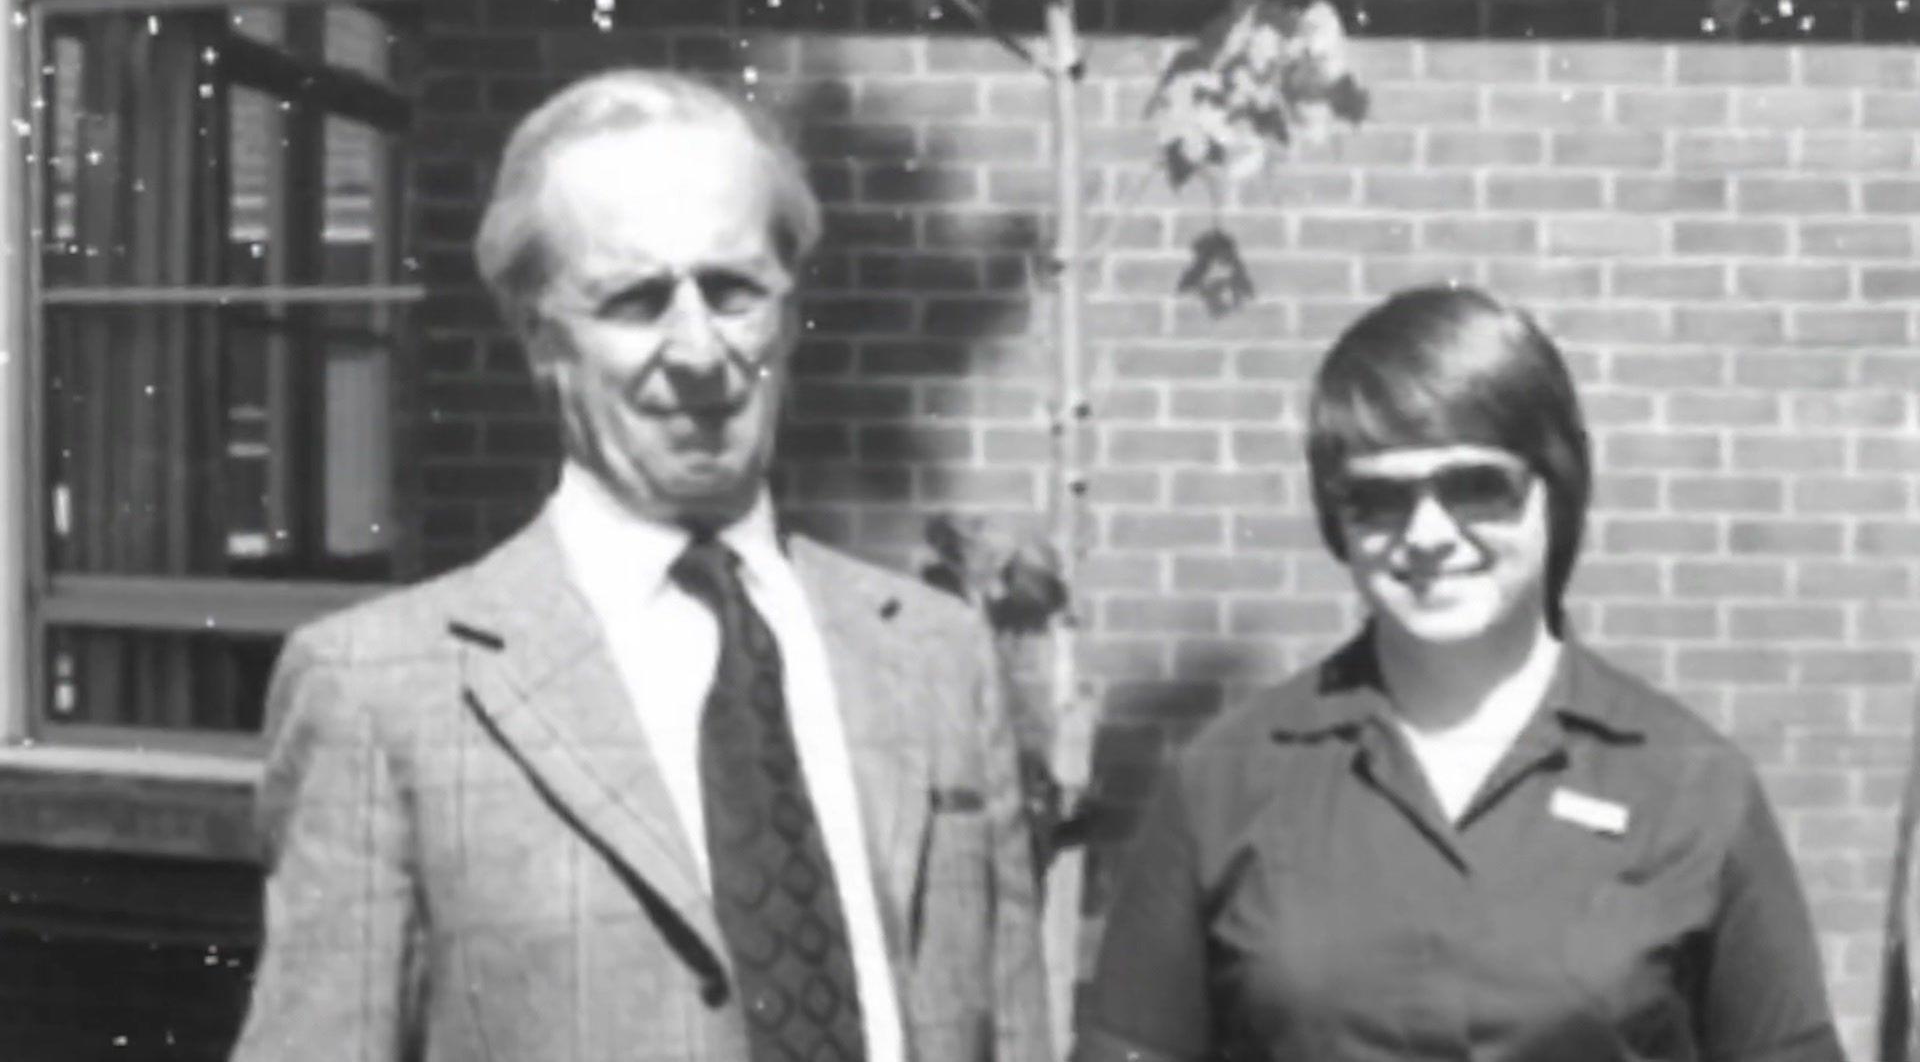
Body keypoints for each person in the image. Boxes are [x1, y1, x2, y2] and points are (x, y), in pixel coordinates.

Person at [232, 69, 1049, 1062]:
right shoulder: (383, 692)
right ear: (542, 338)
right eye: (635, 299)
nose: (699, 349)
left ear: (788, 317)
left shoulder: (937, 659)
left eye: (735, 289)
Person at [1075, 285, 1844, 1062]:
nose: (1428, 535)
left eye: (1477, 487)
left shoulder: (1691, 788)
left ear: (1558, 487)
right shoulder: (1226, 782)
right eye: (1378, 498)